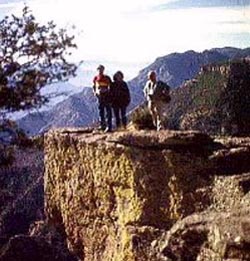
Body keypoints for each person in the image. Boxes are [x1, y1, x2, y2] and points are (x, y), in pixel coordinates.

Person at [93, 65, 112, 132]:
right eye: (99, 69)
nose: (100, 70)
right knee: (101, 111)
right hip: (100, 97)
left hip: (107, 96)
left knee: (108, 111)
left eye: (101, 69)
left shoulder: (107, 78)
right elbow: (94, 86)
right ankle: (102, 125)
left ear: (103, 70)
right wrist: (95, 92)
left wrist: (108, 93)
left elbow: (110, 87)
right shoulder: (95, 78)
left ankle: (109, 126)